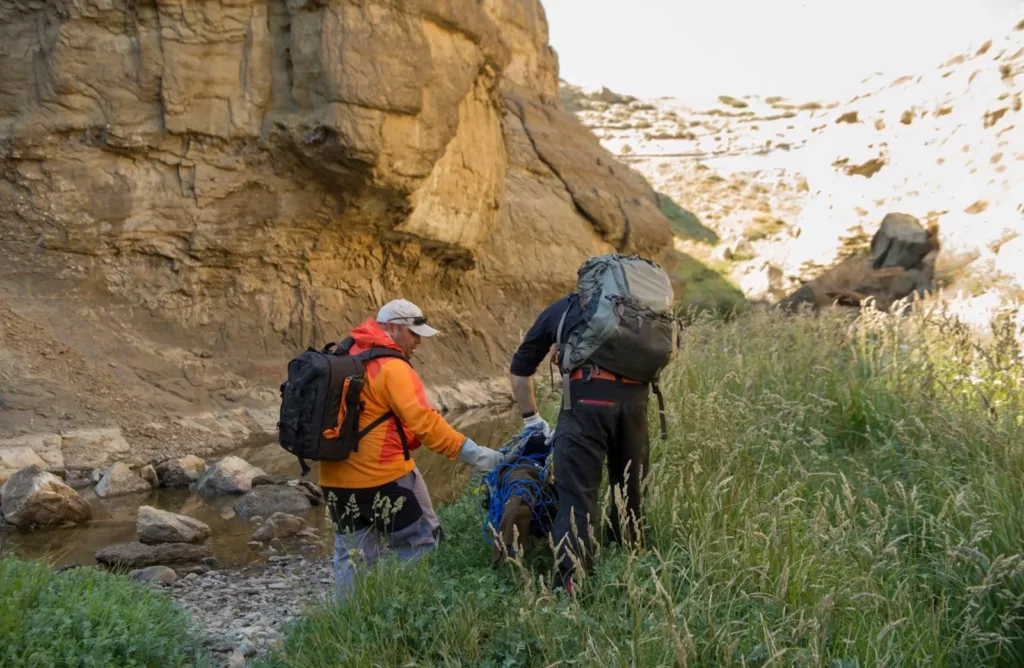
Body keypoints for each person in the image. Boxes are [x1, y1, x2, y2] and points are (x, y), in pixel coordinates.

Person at [320, 299, 503, 597]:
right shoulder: (391, 367)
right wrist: (476, 455)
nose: (418, 341)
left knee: (352, 558)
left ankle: (352, 625)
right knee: (420, 543)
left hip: (333, 482)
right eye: (413, 333)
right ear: (392, 328)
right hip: (384, 479)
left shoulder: (344, 356)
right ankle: (418, 614)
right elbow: (426, 424)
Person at [509, 292, 651, 594]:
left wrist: (532, 419)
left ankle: (572, 582)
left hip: (585, 403)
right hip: (635, 405)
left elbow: (520, 371)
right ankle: (628, 568)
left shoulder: (564, 308)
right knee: (630, 490)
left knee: (577, 494)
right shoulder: (636, 311)